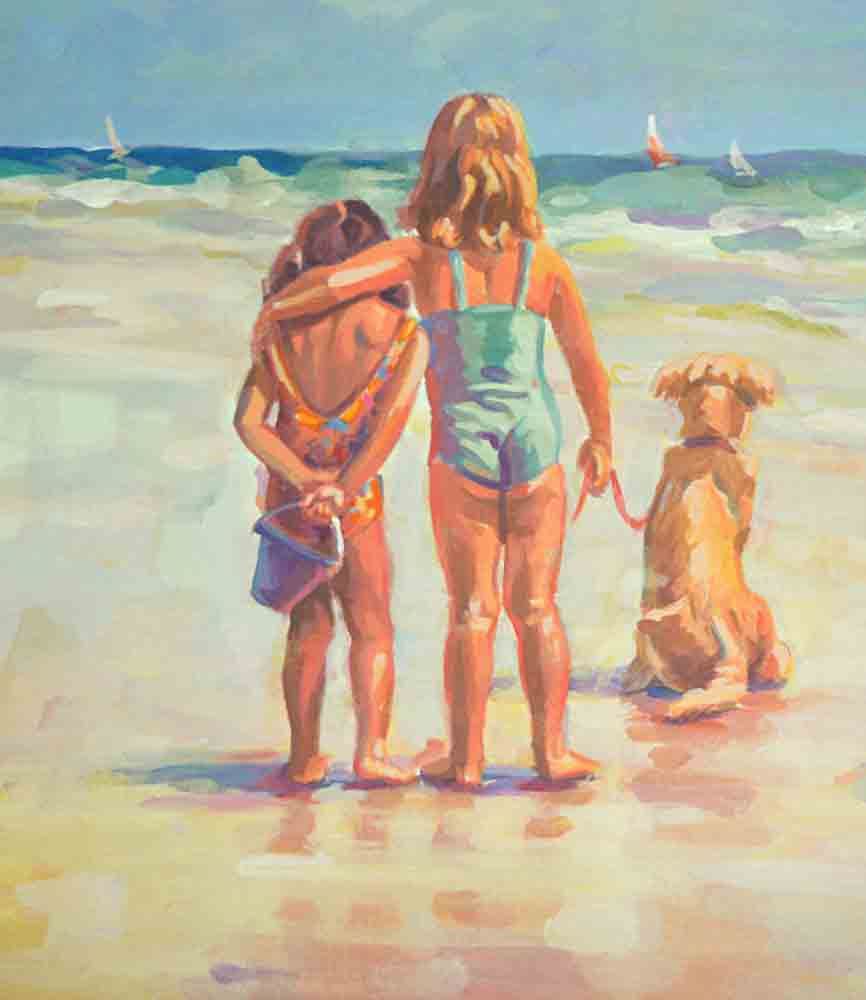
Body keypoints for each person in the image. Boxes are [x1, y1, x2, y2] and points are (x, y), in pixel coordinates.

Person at [253, 94, 612, 788]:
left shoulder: (420, 258)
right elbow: (585, 364)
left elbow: (330, 286)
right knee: (538, 608)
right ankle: (551, 753)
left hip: (462, 450)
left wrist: (275, 312)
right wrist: (600, 438)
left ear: (437, 168)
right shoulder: (543, 266)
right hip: (536, 443)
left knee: (472, 612)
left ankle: (467, 761)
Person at [235, 199, 429, 785]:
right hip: (356, 498)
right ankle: (371, 754)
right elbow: (388, 430)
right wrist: (342, 488)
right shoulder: (403, 333)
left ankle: (303, 758)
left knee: (308, 626)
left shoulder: (281, 331)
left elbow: (249, 423)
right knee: (372, 626)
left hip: (291, 500)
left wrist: (303, 481)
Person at [621, 353, 794, 722]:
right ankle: (730, 662)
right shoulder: (701, 461)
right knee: (700, 583)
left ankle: (726, 670)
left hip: (694, 612)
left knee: (702, 584)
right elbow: (737, 532)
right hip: (700, 611)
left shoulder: (706, 461)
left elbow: (660, 536)